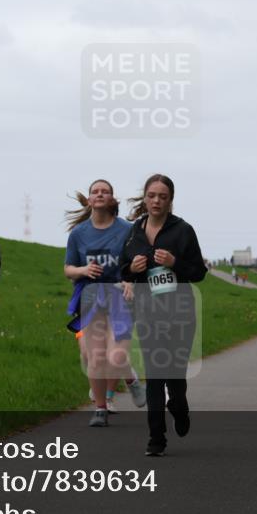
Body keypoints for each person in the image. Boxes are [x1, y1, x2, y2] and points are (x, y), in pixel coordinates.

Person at [121, 174, 207, 457]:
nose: (157, 201)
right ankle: (156, 438)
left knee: (175, 377)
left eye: (163, 196)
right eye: (152, 195)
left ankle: (179, 407)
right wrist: (132, 268)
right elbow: (123, 270)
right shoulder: (135, 231)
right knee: (155, 375)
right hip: (147, 313)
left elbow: (198, 272)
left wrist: (174, 263)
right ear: (145, 198)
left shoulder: (183, 231)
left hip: (180, 313)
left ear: (171, 200)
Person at [64, 179, 146, 427]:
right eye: (95, 191)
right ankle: (100, 408)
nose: (100, 194)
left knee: (117, 355)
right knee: (94, 356)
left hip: (119, 295)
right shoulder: (78, 234)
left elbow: (138, 261)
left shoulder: (127, 230)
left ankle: (130, 379)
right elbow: (68, 269)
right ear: (89, 200)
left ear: (112, 199)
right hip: (90, 296)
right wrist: (83, 269)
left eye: (105, 191)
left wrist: (131, 279)